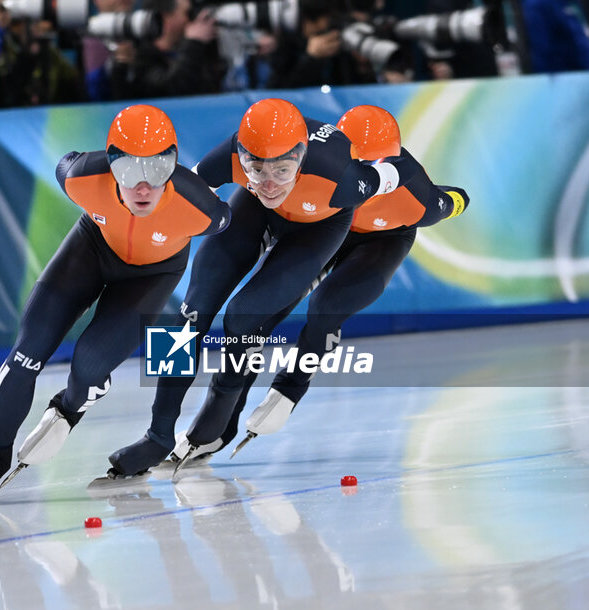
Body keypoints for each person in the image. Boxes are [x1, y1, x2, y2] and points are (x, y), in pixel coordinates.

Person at [107, 98, 467, 479]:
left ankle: (255, 403)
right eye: (255, 165)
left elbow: (443, 196)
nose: (268, 179)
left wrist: (452, 198)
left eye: (281, 168)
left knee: (253, 317)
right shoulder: (242, 155)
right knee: (191, 311)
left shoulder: (355, 179)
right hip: (269, 211)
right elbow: (184, 189)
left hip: (327, 229)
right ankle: (159, 433)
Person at [0, 104, 231, 500]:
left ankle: (68, 409)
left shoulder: (201, 209)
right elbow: (65, 163)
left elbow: (231, 220)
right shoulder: (80, 176)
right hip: (90, 250)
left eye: (158, 168)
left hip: (153, 275)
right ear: (110, 164)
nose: (143, 186)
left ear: (174, 163)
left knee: (90, 364)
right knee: (28, 351)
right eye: (129, 170)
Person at [204, 104, 469, 457]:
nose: (360, 179)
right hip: (323, 231)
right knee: (257, 314)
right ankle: (222, 419)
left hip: (382, 241)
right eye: (355, 164)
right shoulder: (316, 169)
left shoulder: (414, 199)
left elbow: (451, 199)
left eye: (373, 170)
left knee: (327, 306)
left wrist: (456, 200)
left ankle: (291, 386)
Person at [109, 0, 225, 99]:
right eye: (187, 13)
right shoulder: (140, 58)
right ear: (166, 17)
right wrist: (194, 43)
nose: (190, 20)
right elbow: (173, 90)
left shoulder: (189, 50)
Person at [266, 0, 377, 89]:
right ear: (307, 20)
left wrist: (362, 67)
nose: (327, 25)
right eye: (327, 19)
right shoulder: (286, 44)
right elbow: (278, 89)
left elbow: (353, 85)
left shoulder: (336, 41)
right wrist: (311, 58)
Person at [0, 18, 86, 109]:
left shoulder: (48, 51)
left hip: (44, 122)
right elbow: (5, 98)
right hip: (9, 123)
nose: (38, 26)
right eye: (29, 22)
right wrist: (27, 55)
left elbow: (76, 89)